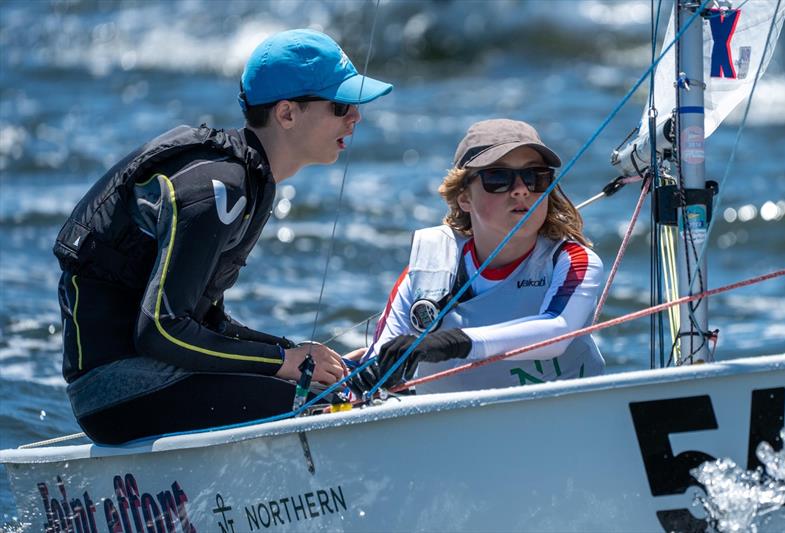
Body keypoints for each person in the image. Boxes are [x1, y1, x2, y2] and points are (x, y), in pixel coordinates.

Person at [54, 29, 392, 444]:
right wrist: (281, 361)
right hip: (119, 389)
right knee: (331, 407)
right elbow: (161, 329)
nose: (355, 117)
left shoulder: (247, 178)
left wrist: (302, 356)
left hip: (156, 375)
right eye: (341, 105)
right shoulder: (220, 188)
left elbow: (207, 324)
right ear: (287, 114)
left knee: (342, 387)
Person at [350, 118, 604, 395]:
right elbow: (377, 368)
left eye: (535, 177)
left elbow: (557, 333)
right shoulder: (425, 271)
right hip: (451, 430)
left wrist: (452, 343)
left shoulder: (572, 261)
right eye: (498, 178)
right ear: (464, 197)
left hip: (566, 423)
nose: (521, 189)